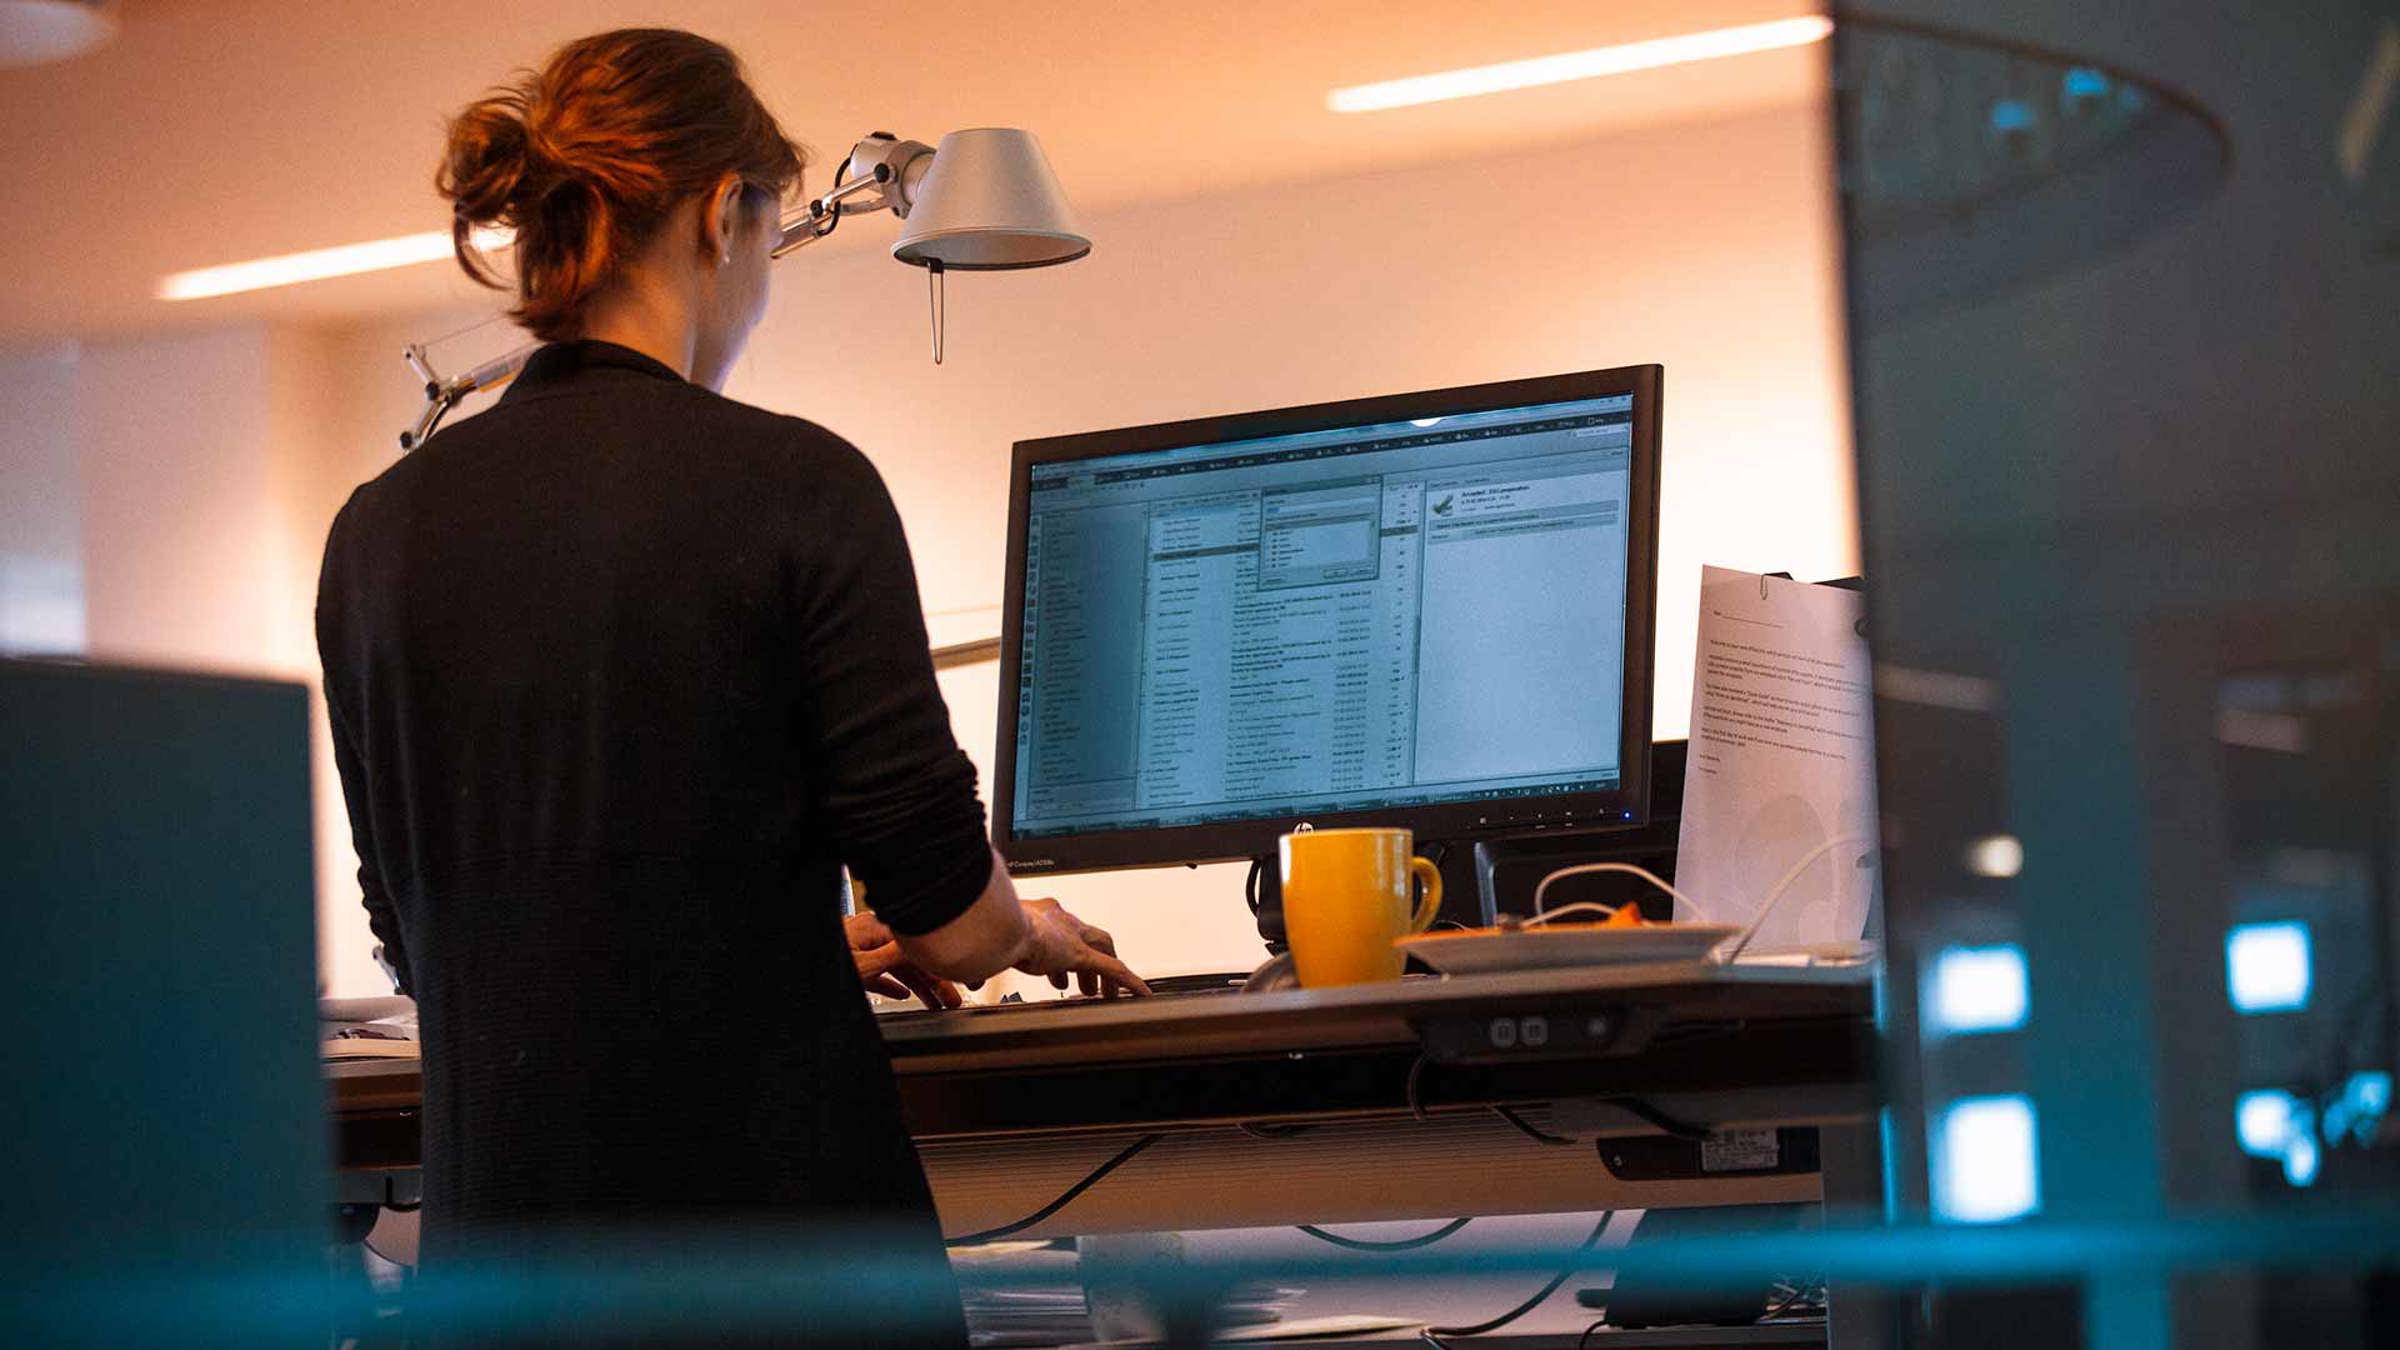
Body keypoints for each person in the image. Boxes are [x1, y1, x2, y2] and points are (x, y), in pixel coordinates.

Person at [315, 28, 1147, 1347]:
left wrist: (758, 947)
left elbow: (439, 943)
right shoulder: (795, 487)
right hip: (779, 1280)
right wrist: (1023, 927)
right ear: (725, 216)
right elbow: (950, 921)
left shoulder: (372, 533)